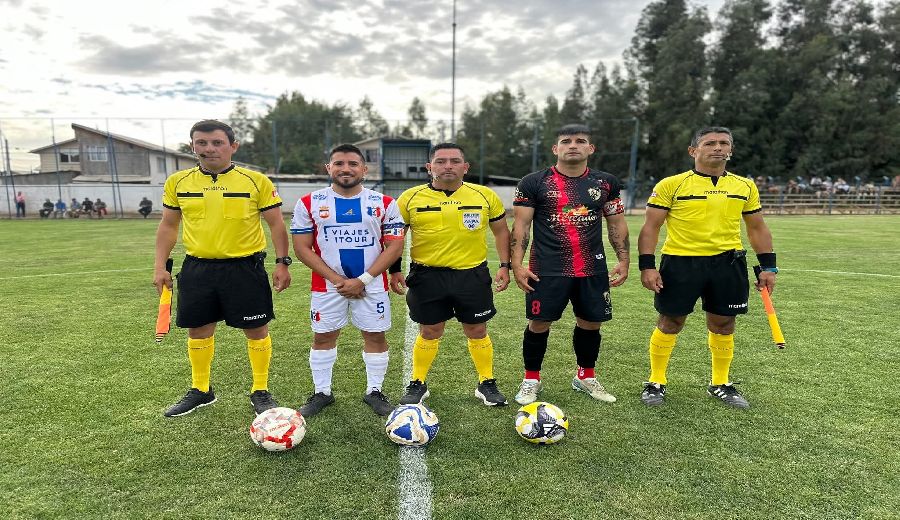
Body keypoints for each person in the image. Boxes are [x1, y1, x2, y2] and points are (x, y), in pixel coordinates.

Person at [154, 119, 292, 418]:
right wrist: (160, 266)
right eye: (201, 143)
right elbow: (168, 226)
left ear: (233, 146)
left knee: (256, 329)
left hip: (245, 267)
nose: (209, 148)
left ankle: (260, 390)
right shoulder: (177, 182)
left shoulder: (256, 181)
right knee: (198, 330)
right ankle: (201, 389)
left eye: (217, 142)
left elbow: (277, 225)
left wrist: (282, 263)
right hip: (198, 268)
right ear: (192, 146)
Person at [637, 126, 777, 409]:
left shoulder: (745, 186)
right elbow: (651, 227)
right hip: (681, 263)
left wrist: (769, 267)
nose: (718, 148)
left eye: (724, 143)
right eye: (710, 143)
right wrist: (647, 266)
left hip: (728, 263)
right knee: (671, 321)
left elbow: (757, 228)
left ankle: (720, 383)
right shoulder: (671, 184)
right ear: (693, 151)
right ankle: (656, 381)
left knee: (724, 323)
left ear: (731, 150)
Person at [509, 124, 630, 405]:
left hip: (591, 267)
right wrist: (517, 264)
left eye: (580, 141)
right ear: (556, 149)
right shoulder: (533, 182)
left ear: (591, 148)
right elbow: (521, 226)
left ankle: (585, 376)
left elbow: (616, 224)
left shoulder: (606, 183)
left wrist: (624, 260)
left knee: (591, 323)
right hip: (546, 267)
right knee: (539, 323)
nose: (573, 145)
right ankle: (531, 379)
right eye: (566, 141)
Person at [290, 144, 405, 417]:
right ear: (328, 168)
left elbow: (394, 246)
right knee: (323, 336)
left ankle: (374, 391)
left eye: (353, 164)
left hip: (372, 284)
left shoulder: (385, 203)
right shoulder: (308, 202)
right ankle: (322, 392)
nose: (346, 169)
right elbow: (302, 248)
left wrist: (363, 279)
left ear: (364, 169)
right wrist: (338, 280)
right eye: (339, 163)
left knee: (375, 335)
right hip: (327, 286)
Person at [393, 142, 512, 406]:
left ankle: (486, 382)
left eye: (455, 161)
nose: (448, 166)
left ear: (465, 167)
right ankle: (418, 382)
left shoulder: (484, 195)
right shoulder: (410, 197)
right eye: (441, 161)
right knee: (430, 330)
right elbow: (395, 237)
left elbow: (502, 232)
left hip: (472, 275)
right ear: (429, 167)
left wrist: (505, 265)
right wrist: (394, 269)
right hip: (427, 276)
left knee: (477, 329)